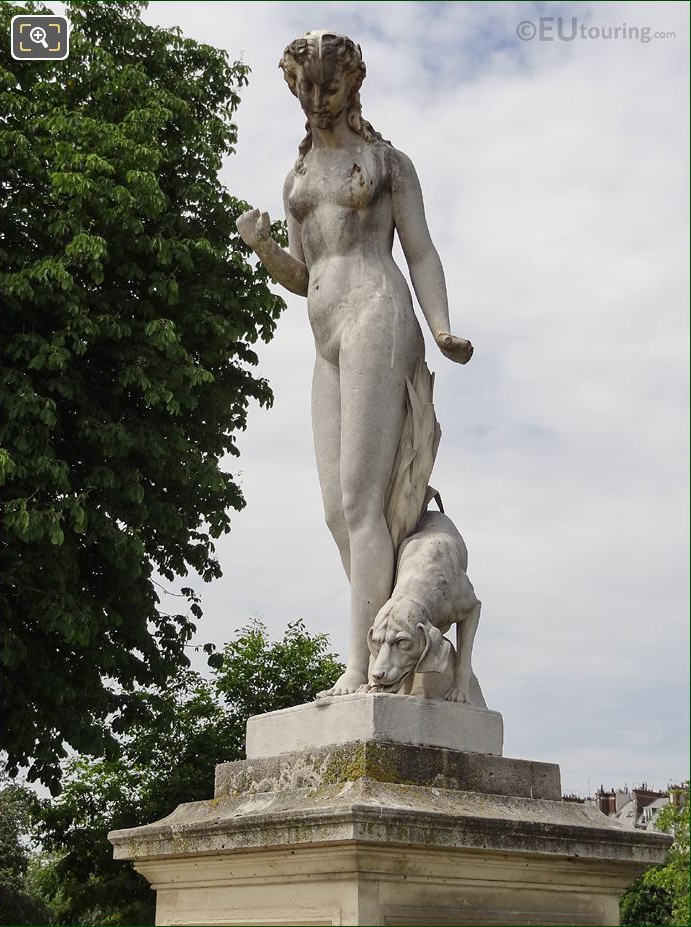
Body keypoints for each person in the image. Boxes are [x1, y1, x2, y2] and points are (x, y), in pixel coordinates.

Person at [237, 30, 473, 697]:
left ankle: (360, 670)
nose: (316, 100)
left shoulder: (387, 163)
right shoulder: (297, 177)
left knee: (359, 500)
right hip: (325, 334)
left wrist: (442, 326)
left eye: (328, 87)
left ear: (352, 82)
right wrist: (260, 248)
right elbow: (301, 273)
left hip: (378, 311)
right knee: (337, 513)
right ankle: (403, 636)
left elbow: (420, 251)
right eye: (305, 89)